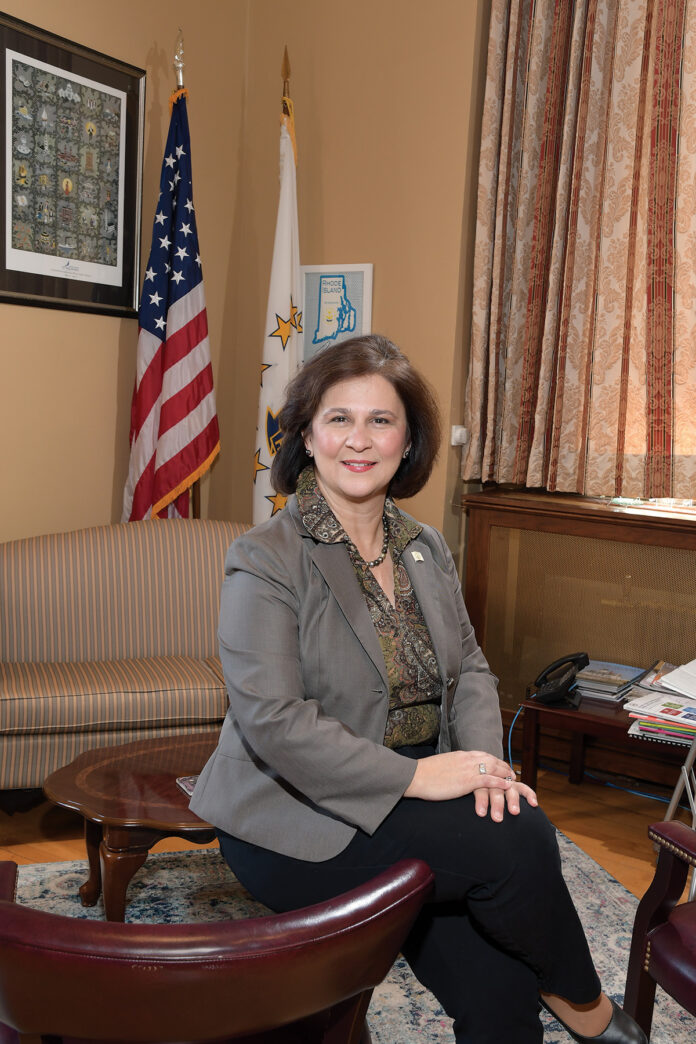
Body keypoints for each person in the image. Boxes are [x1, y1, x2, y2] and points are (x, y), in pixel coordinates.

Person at [190, 334, 646, 1044]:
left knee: (500, 998)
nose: (359, 439)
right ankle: (585, 1006)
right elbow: (274, 721)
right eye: (339, 418)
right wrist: (418, 777)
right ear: (307, 435)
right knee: (521, 838)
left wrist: (485, 767)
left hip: (417, 810)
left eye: (382, 420)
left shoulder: (425, 545)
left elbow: (469, 671)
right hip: (296, 820)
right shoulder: (265, 556)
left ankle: (542, 997)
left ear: (409, 442)